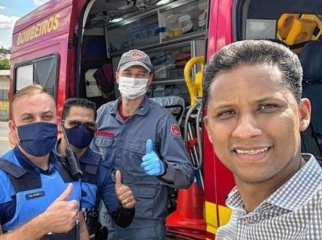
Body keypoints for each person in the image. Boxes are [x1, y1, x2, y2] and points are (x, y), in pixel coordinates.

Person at [202, 40, 322, 239]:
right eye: (227, 112)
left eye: (268, 107)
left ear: (302, 115)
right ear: (209, 130)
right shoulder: (231, 226)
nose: (245, 131)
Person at [91, 49, 194, 240]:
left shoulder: (162, 120)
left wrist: (164, 169)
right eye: (128, 74)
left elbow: (186, 176)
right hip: (107, 217)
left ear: (150, 79)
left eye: (140, 75)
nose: (133, 79)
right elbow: (90, 162)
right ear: (117, 76)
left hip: (145, 225)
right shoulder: (103, 114)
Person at [0, 84, 88, 240]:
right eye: (28, 118)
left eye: (46, 116)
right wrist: (42, 225)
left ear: (56, 123)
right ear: (13, 127)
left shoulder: (70, 168)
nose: (39, 124)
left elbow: (80, 227)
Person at [54, 98, 136, 239]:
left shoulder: (102, 169)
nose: (82, 129)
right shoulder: (42, 160)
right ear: (60, 125)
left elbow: (122, 220)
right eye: (74, 123)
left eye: (89, 125)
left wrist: (127, 205)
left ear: (96, 129)